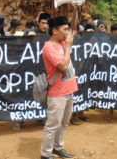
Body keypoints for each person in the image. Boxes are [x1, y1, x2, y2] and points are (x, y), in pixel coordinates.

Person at [40, 16, 77, 159]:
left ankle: (58, 147)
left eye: (68, 29)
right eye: (65, 29)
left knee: (63, 123)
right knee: (53, 125)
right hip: (57, 93)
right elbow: (62, 67)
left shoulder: (62, 41)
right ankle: (46, 154)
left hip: (68, 90)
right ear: (54, 30)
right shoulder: (49, 47)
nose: (68, 33)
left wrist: (76, 9)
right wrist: (68, 46)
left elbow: (73, 29)